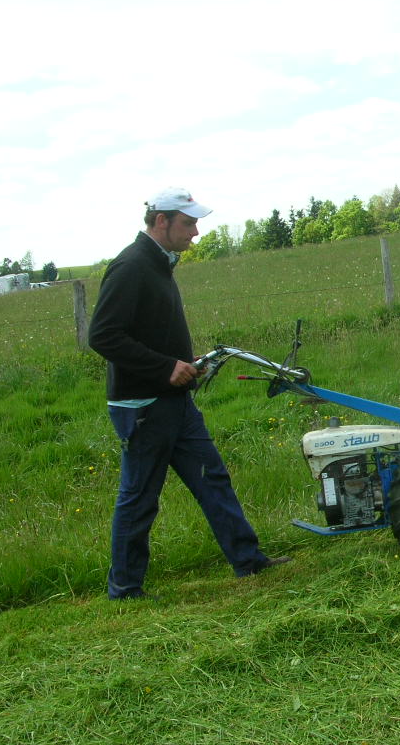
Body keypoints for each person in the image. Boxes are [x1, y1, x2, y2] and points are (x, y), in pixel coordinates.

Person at [89, 187, 290, 599]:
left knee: (212, 479)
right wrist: (165, 367)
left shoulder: (159, 265)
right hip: (144, 406)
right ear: (162, 220)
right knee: (140, 498)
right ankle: (124, 589)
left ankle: (248, 561)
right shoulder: (131, 266)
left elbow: (148, 331)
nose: (195, 232)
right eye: (188, 223)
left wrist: (184, 363)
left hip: (174, 400)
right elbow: (104, 336)